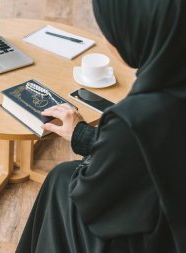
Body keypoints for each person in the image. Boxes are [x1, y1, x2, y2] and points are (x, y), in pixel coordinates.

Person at [16, 0, 186, 252]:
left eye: (110, 30)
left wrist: (95, 138)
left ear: (136, 33)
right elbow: (155, 155)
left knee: (63, 181)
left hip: (160, 238)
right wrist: (83, 135)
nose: (107, 40)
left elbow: (93, 199)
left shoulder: (135, 117)